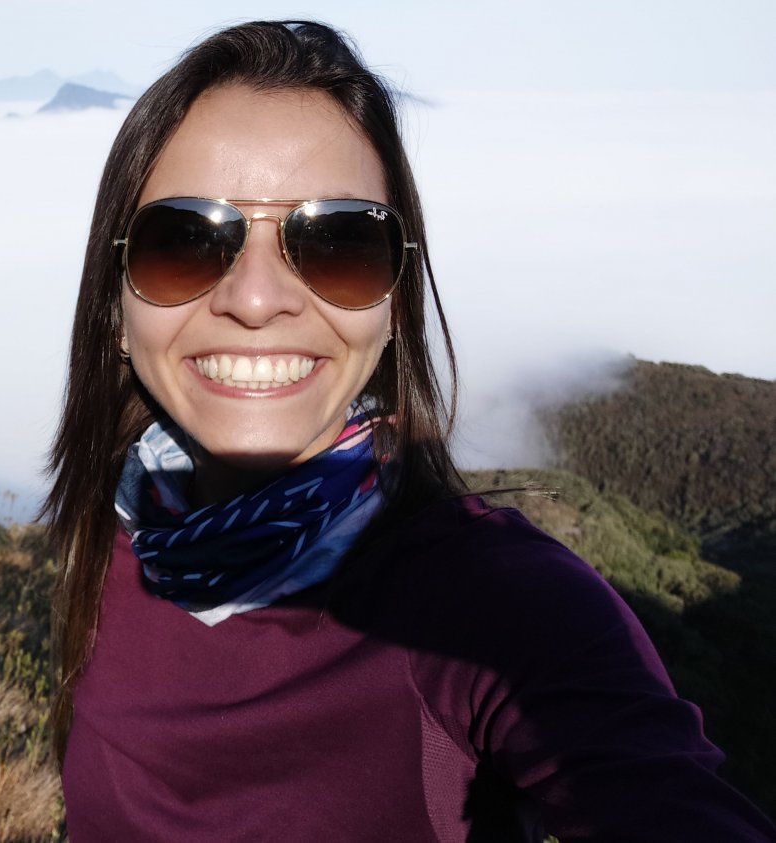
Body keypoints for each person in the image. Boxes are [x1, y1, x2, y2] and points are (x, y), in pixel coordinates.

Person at [41, 20, 776, 842]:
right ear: (116, 306)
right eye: (185, 240)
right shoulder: (116, 537)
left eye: (337, 242)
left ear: (395, 303)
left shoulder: (499, 605)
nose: (254, 300)